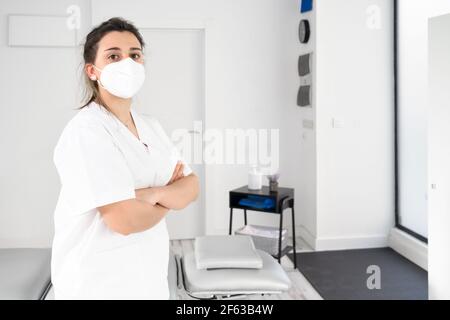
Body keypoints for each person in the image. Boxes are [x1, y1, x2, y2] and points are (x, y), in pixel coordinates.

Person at [50, 17, 199, 300]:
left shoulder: (151, 126)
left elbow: (192, 186)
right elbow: (124, 220)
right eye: (114, 56)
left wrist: (151, 194)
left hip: (147, 278)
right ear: (93, 71)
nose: (127, 63)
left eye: (135, 55)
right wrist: (170, 196)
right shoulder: (87, 131)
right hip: (97, 283)